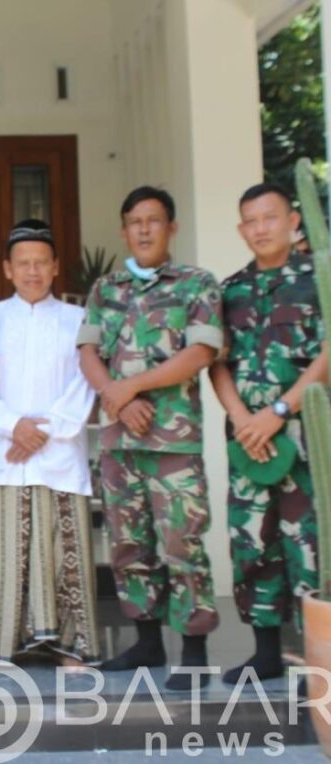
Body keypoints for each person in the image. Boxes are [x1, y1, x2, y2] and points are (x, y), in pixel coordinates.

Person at [77, 186, 223, 691]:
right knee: (128, 543)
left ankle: (195, 648)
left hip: (172, 444)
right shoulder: (106, 289)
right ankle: (146, 641)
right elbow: (89, 353)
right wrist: (117, 399)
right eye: (134, 221)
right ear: (124, 230)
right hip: (119, 441)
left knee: (181, 544)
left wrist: (130, 387)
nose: (143, 229)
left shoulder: (196, 284)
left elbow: (200, 353)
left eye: (153, 220)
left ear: (171, 228)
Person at [209, 183, 328, 684]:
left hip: (303, 437)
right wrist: (242, 419)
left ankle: (319, 653)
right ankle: (266, 653)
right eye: (251, 221)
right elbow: (218, 362)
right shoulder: (231, 289)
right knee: (253, 543)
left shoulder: (317, 279)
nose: (260, 229)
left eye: (270, 218)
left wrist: (279, 410)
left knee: (310, 544)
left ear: (293, 220)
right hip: (249, 444)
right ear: (241, 229)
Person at [0, 219, 99, 666]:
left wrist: (43, 431)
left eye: (40, 263)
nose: (32, 271)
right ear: (7, 269)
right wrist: (14, 425)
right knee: (12, 555)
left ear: (54, 268)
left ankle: (74, 646)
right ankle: (6, 646)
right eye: (23, 263)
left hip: (60, 451)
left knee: (65, 551)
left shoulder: (77, 318)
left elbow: (86, 381)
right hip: (8, 451)